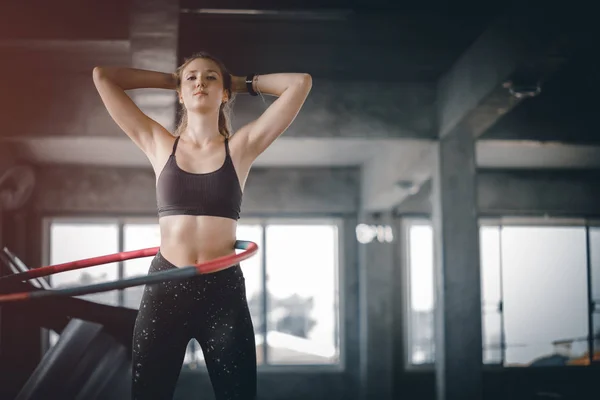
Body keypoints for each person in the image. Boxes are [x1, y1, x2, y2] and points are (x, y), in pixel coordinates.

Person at [92, 53, 312, 399]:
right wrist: (176, 79)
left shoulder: (241, 148)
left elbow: (299, 83)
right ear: (180, 92)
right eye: (192, 79)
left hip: (221, 294)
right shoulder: (158, 143)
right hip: (165, 290)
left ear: (225, 93)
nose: (200, 83)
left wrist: (239, 82)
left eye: (211, 78)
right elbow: (104, 76)